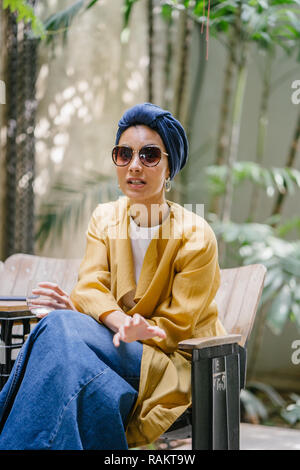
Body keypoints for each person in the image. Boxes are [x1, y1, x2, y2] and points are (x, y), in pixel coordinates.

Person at [0, 103, 226, 450]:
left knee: (60, 326)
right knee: (83, 372)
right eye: (124, 154)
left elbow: (176, 328)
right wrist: (119, 323)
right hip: (113, 350)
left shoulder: (195, 235)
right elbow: (90, 286)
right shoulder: (105, 218)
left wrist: (101, 324)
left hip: (165, 363)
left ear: (169, 168)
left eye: (150, 155)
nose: (135, 165)